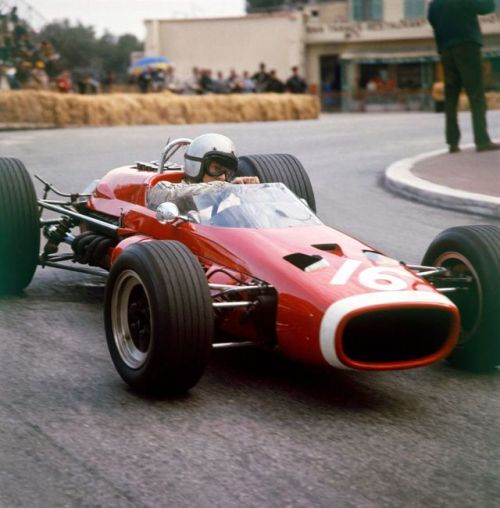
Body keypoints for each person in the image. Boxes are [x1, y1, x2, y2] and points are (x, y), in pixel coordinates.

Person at [428, 0, 500, 152]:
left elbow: (432, 21)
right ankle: (482, 140)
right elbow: (487, 7)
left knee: (451, 97)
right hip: (467, 46)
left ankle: (452, 142)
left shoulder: (434, 4)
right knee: (476, 94)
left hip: (446, 50)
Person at [147, 133, 259, 214]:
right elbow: (173, 196)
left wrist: (253, 194)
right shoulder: (164, 189)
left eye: (227, 171)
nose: (223, 177)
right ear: (196, 166)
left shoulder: (230, 195)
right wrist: (224, 188)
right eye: (217, 168)